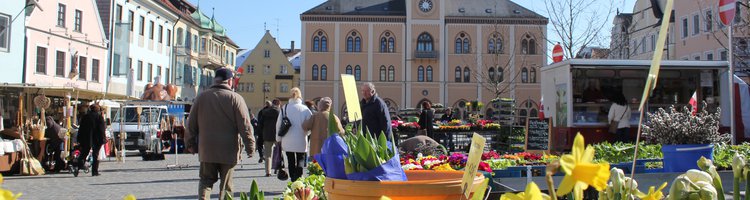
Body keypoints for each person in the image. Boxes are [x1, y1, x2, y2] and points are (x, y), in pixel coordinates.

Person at [186, 68, 255, 200]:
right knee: (226, 186)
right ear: (230, 81)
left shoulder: (201, 97)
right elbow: (245, 125)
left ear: (215, 80)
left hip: (207, 149)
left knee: (205, 182)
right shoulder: (236, 98)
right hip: (228, 150)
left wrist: (190, 143)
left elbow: (191, 123)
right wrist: (250, 146)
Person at [276, 87, 312, 182]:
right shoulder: (305, 109)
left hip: (287, 139)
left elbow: (278, 125)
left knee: (290, 160)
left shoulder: (285, 108)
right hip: (301, 139)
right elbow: (310, 125)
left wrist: (278, 139)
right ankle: (299, 178)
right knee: (300, 159)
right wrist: (307, 133)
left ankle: (293, 179)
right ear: (300, 96)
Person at [76, 104, 106, 177]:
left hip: (86, 138)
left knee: (84, 153)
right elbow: (102, 129)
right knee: (95, 155)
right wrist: (103, 138)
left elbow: (81, 129)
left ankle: (78, 167)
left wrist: (79, 138)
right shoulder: (99, 117)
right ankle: (94, 171)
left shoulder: (85, 117)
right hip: (97, 139)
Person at [258, 100, 280, 177]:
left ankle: (268, 172)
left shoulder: (264, 112)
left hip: (267, 135)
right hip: (277, 136)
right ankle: (279, 168)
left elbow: (260, 125)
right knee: (278, 153)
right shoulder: (279, 112)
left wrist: (262, 133)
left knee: (268, 155)